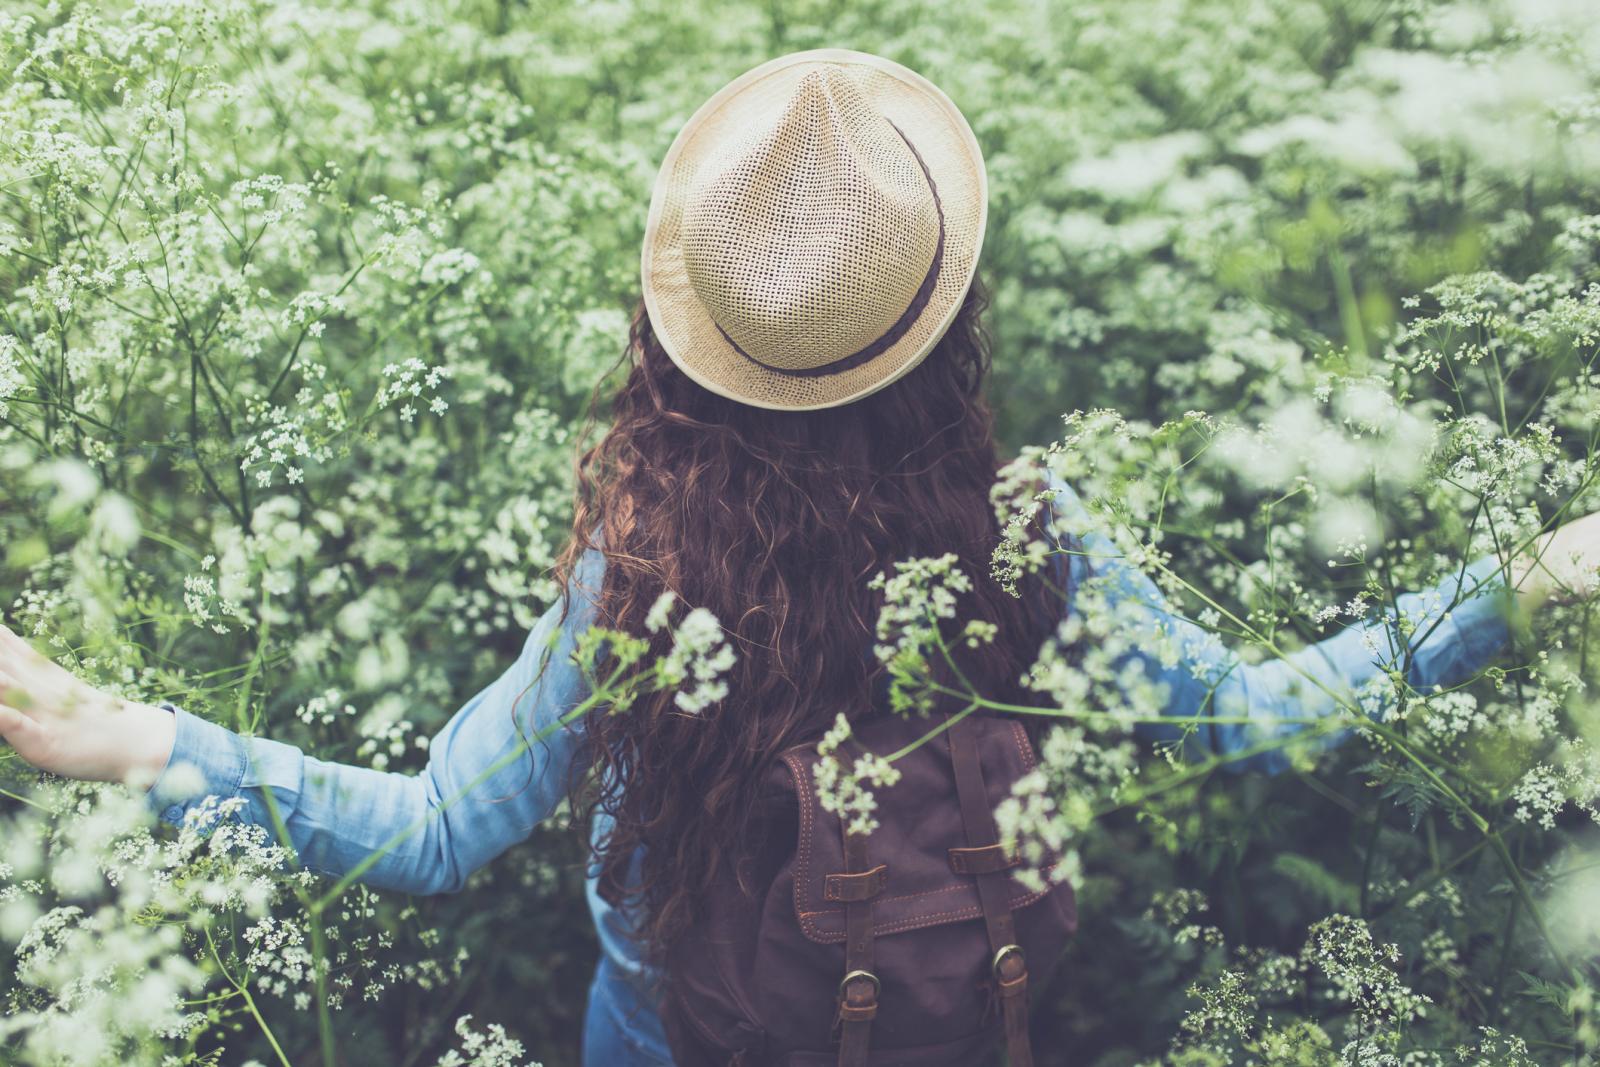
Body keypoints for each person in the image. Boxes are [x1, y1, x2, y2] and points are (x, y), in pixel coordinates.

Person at [1, 49, 1596, 1067]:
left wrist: (133, 734)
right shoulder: (1025, 532)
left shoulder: (639, 576)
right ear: (948, 327)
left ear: (685, 344)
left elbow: (429, 832)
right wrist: (1518, 581)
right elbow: (1251, 725)